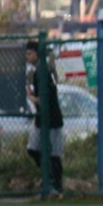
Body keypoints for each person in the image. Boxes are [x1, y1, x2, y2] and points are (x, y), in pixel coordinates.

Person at [24, 40, 65, 196]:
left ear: (36, 54)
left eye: (29, 54)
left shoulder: (42, 71)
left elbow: (44, 99)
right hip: (42, 118)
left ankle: (56, 186)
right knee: (33, 149)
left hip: (52, 119)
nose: (27, 57)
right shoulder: (40, 70)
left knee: (54, 154)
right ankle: (49, 179)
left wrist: (31, 97)